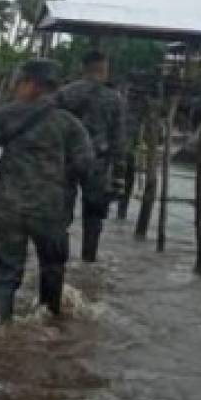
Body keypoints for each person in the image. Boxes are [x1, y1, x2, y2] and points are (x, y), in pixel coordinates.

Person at [0, 60, 93, 321]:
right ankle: (50, 326)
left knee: (6, 272)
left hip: (7, 206)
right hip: (50, 208)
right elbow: (86, 165)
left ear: (30, 84)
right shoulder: (69, 123)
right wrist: (61, 183)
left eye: (19, 82)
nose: (16, 88)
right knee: (52, 268)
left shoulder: (4, 115)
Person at [55, 50, 126, 263]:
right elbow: (118, 138)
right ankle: (88, 260)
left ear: (82, 68)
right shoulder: (114, 99)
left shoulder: (64, 93)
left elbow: (52, 128)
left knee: (61, 213)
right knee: (94, 215)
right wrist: (119, 172)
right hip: (98, 162)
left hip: (66, 160)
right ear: (103, 70)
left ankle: (58, 260)